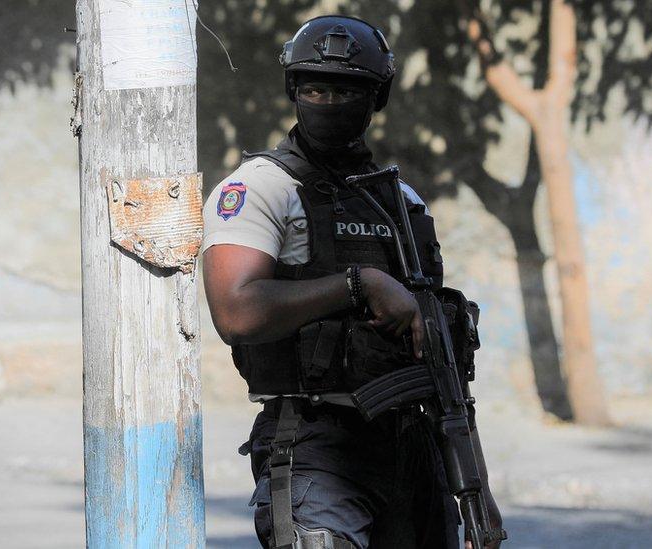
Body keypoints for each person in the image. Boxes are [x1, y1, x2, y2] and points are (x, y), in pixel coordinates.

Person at [202, 15, 502, 548]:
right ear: (294, 91)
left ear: (376, 97)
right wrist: (358, 284)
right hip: (317, 444)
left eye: (347, 89)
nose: (329, 100)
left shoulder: (401, 201)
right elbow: (235, 310)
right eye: (315, 87)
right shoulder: (261, 188)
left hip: (413, 444)